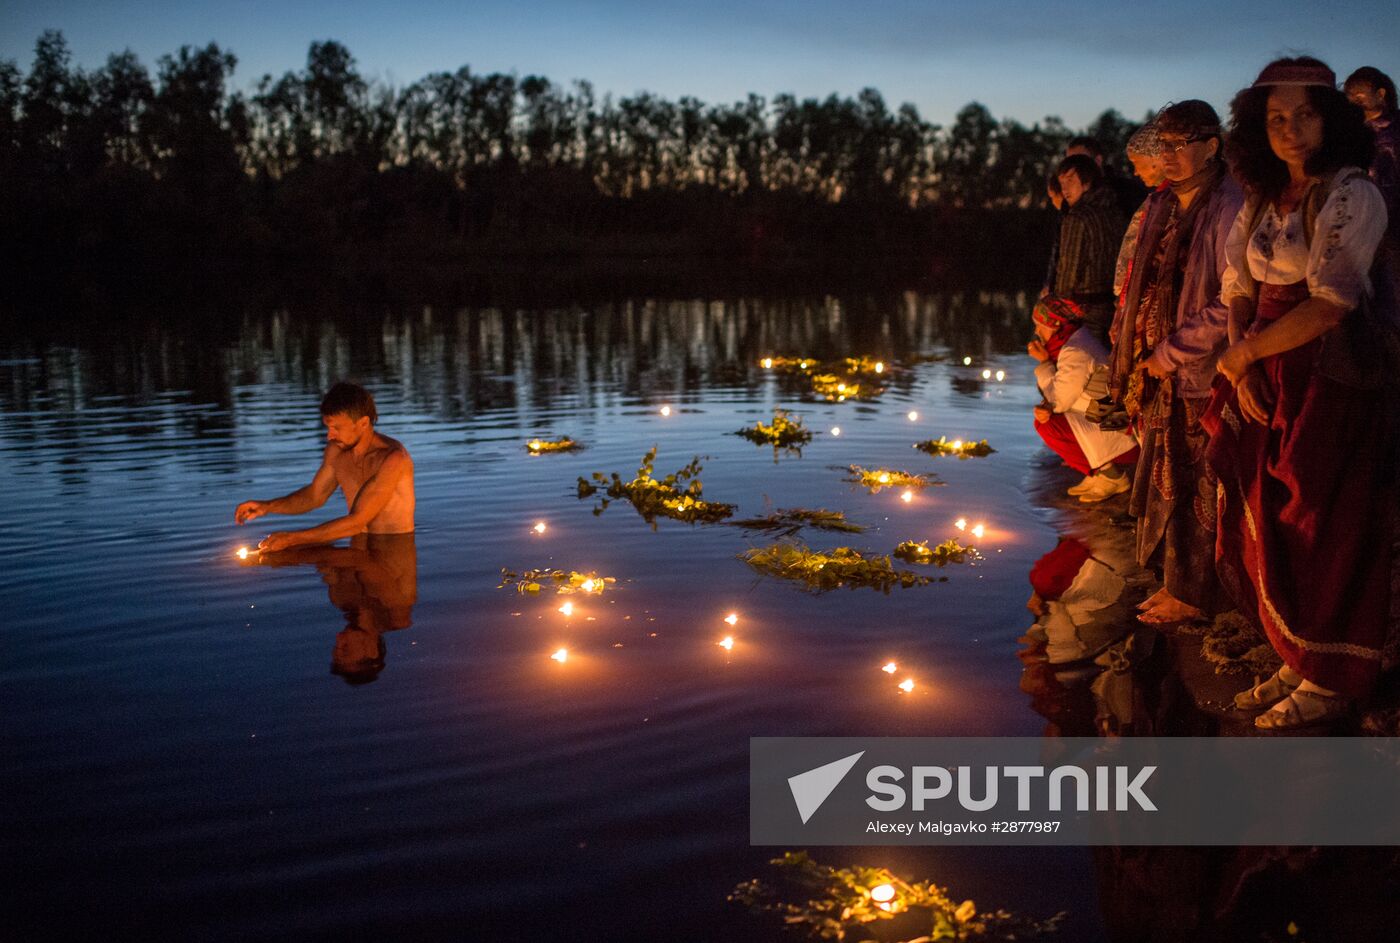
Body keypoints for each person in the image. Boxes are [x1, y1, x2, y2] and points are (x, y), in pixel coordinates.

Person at [1205, 57, 1390, 729]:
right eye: (1275, 117)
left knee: (1321, 518)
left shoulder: (1350, 193)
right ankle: (1296, 652)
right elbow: (1239, 288)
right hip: (1263, 368)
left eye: (1304, 114)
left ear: (1330, 118)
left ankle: (1333, 674)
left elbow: (1331, 302)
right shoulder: (1260, 198)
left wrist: (1247, 352)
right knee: (1270, 513)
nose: (1289, 130)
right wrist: (1241, 359)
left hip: (1327, 375)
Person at [1107, 100, 1243, 626]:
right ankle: (1177, 584)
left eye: (1179, 145)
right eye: (1162, 145)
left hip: (1201, 370)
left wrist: (1169, 351)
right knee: (1170, 481)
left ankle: (1196, 594)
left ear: (1212, 147)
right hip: (1164, 368)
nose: (1167, 156)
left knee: (1200, 485)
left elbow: (1232, 299)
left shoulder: (1227, 202)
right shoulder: (1167, 206)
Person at [235, 382, 415, 552]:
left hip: (394, 551)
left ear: (363, 423)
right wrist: (266, 507)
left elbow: (358, 521)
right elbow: (314, 496)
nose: (330, 436)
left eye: (336, 428)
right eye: (328, 427)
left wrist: (291, 539)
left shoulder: (393, 459)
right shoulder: (336, 451)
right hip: (357, 544)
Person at [1029, 296, 1140, 502]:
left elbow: (1058, 402)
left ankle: (1111, 477)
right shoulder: (1075, 341)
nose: (1037, 333)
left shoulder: (1074, 351)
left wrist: (1044, 364)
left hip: (1118, 428)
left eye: (1040, 326)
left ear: (1055, 327)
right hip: (1105, 417)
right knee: (1047, 419)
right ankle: (1098, 474)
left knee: (1047, 425)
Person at [1051, 154, 1127, 343]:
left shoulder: (1077, 218)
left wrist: (1056, 308)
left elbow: (1068, 273)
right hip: (1115, 308)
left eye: (1070, 181)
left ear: (1086, 183)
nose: (1065, 189)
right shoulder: (1117, 212)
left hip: (1085, 311)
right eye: (1062, 183)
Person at [1343, 66, 1399, 249]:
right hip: (1363, 222)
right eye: (1350, 100)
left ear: (1380, 94)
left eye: (1359, 98)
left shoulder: (1395, 129)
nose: (1354, 105)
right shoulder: (1352, 135)